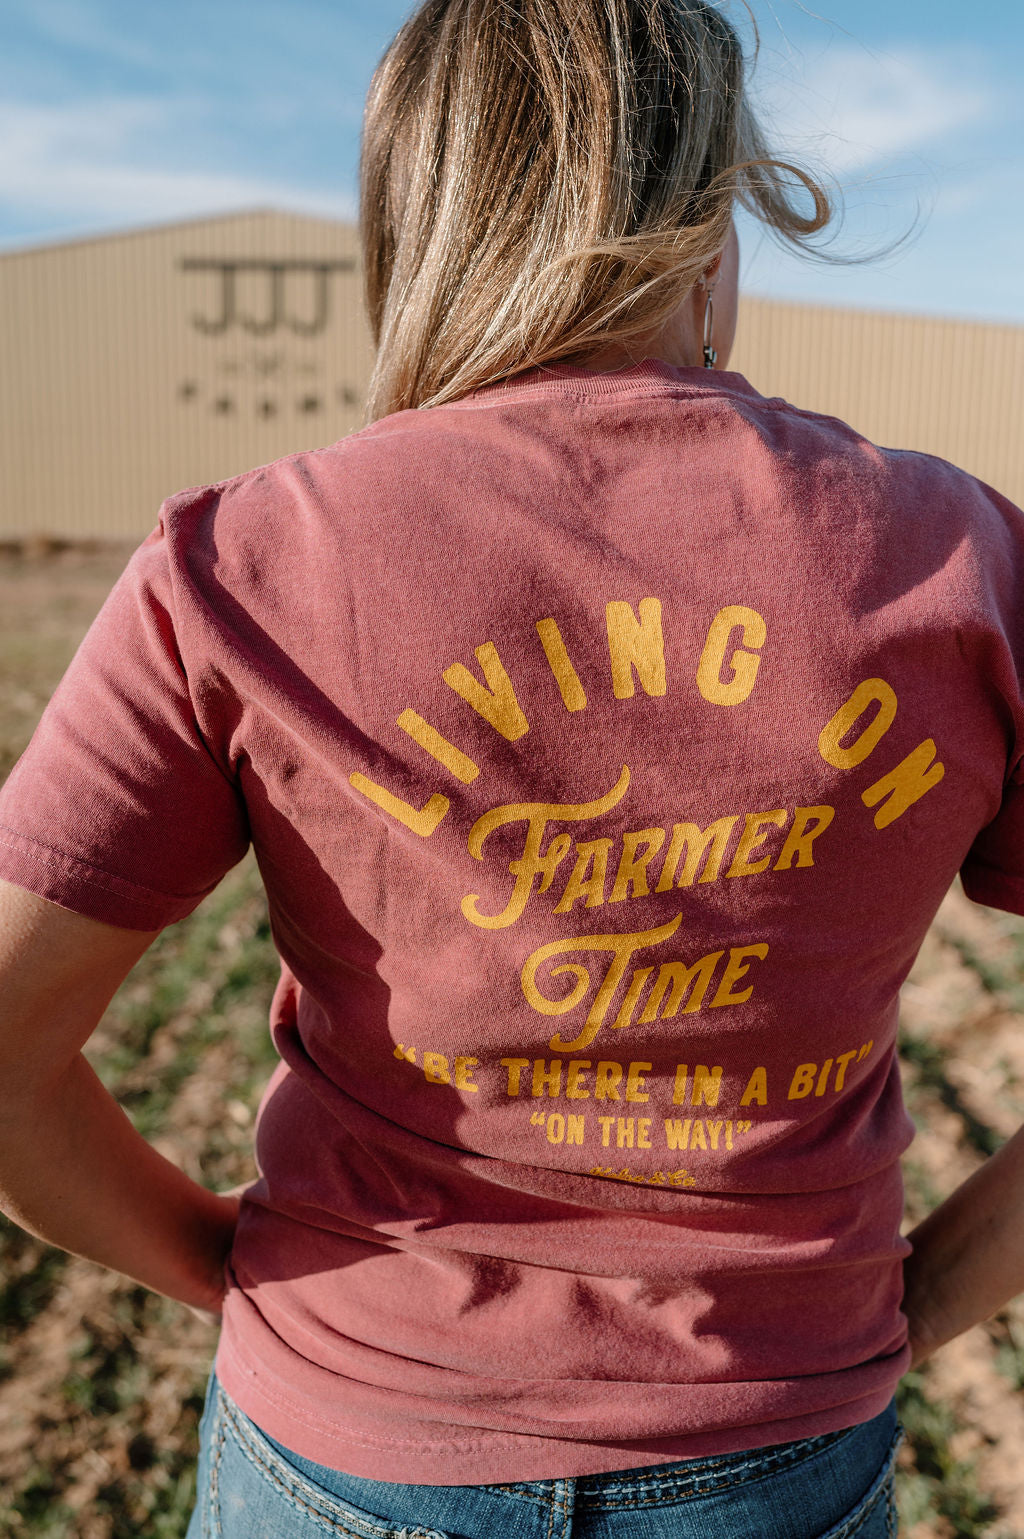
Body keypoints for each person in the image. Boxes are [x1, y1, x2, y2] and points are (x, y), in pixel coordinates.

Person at [2, 1, 1024, 1535]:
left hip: (346, 1435)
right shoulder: (958, 554)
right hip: (783, 1446)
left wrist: (231, 1269)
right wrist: (926, 1295)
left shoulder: (252, 560)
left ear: (415, 219)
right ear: (710, 213)